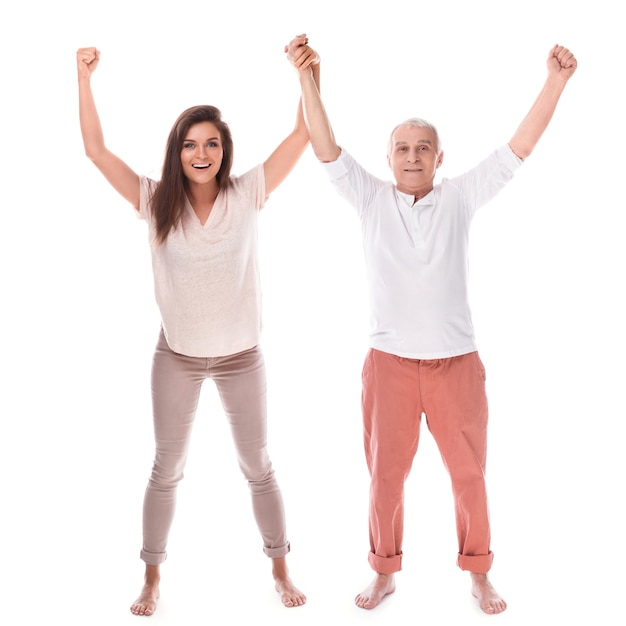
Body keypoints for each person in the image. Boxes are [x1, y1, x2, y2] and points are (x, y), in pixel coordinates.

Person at [288, 37, 577, 614]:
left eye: (424, 148)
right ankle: (384, 571)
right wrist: (307, 79)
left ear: (440, 158)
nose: (413, 157)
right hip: (389, 366)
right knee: (384, 480)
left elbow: (519, 147)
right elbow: (323, 144)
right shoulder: (369, 199)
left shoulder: (461, 197)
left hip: (456, 365)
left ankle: (479, 573)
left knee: (469, 475)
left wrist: (556, 81)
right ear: (388, 157)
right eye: (402, 148)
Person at [77, 35, 320, 616]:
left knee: (257, 465)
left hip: (242, 356)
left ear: (224, 150)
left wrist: (308, 73)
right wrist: (82, 78)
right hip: (178, 356)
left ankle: (281, 567)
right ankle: (152, 577)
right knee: (166, 467)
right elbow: (95, 150)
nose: (202, 153)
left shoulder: (247, 192)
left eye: (211, 143)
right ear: (177, 152)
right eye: (191, 144)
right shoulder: (155, 199)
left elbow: (305, 135)